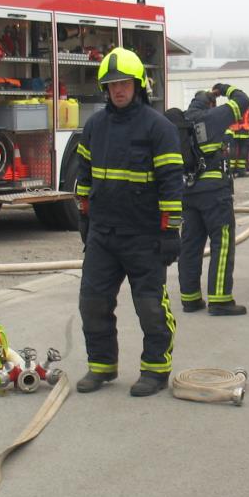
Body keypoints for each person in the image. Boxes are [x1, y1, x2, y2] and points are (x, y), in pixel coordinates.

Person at [74, 47, 185, 397]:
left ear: (138, 85)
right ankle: (101, 366)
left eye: (124, 83)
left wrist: (170, 230)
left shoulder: (158, 127)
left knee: (150, 307)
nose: (118, 89)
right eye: (111, 84)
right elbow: (84, 176)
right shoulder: (95, 126)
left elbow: (172, 182)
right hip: (103, 234)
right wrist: (84, 216)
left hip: (144, 236)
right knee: (92, 303)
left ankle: (155, 370)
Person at [177, 84, 249, 316]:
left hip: (188, 191)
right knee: (222, 243)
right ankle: (220, 300)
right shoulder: (213, 116)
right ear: (210, 103)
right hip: (214, 192)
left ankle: (190, 299)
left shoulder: (181, 122)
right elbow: (243, 100)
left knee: (190, 246)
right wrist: (223, 89)